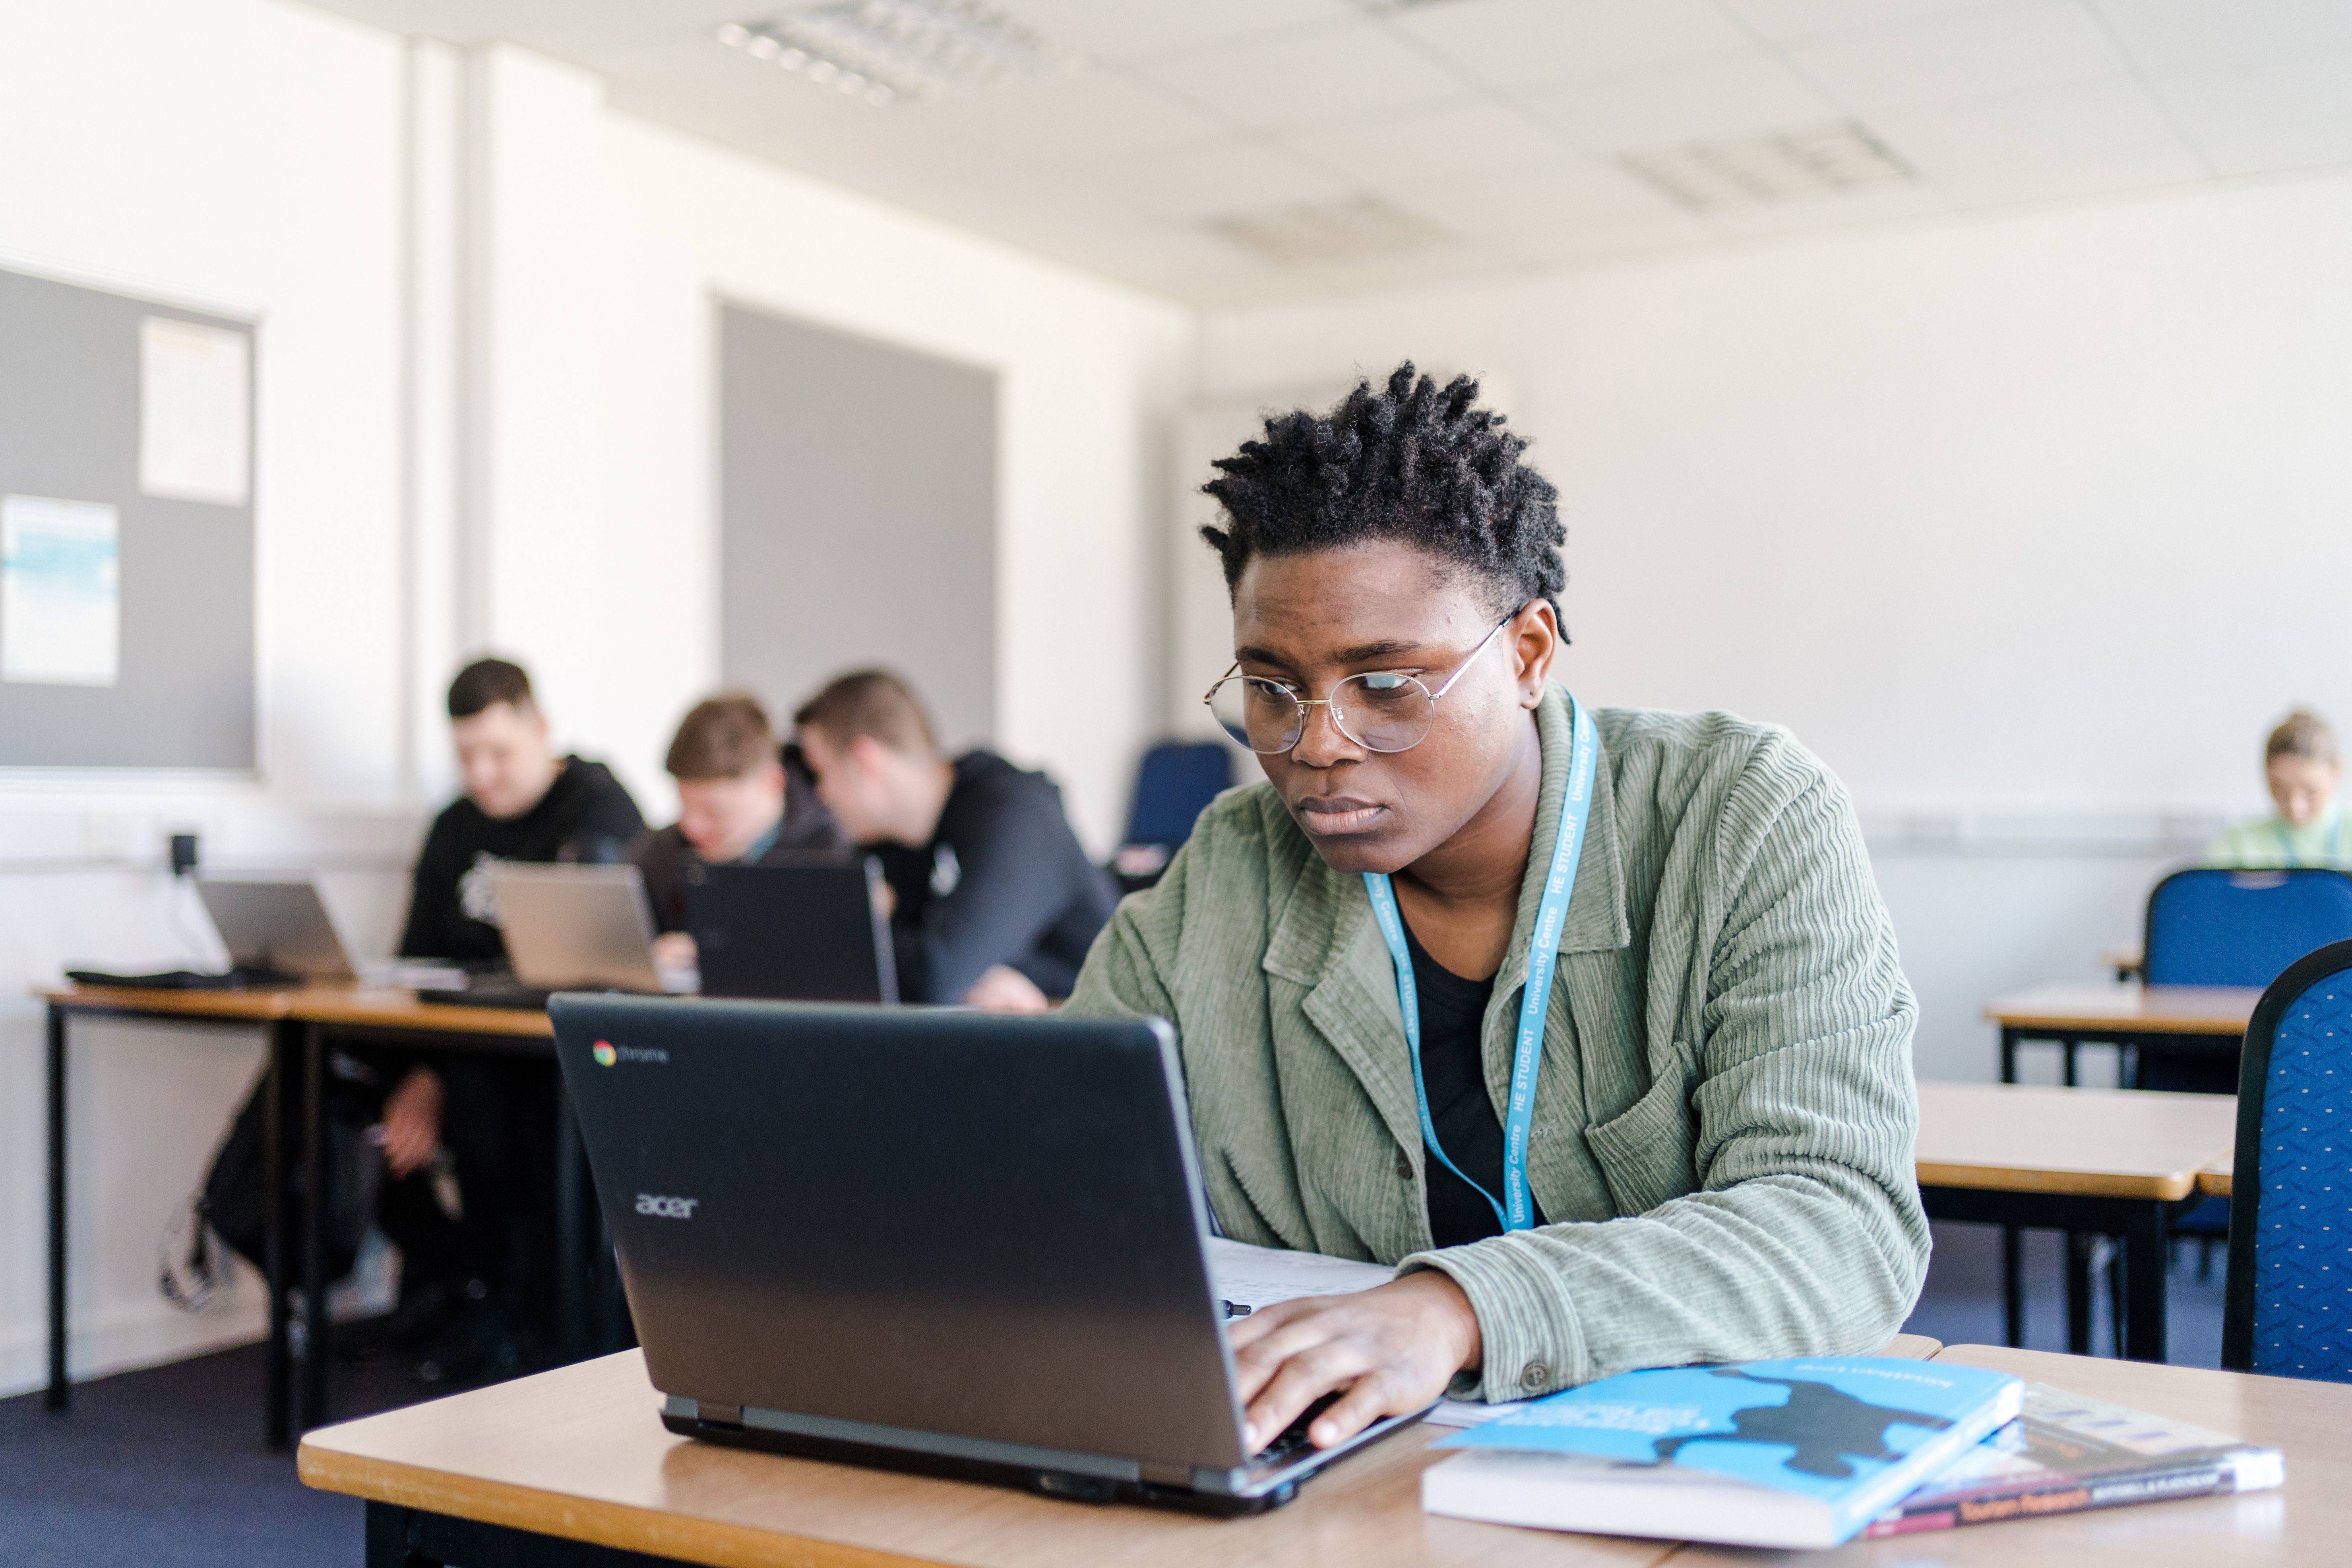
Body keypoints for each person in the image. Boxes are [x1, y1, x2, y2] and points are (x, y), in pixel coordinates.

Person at [1067, 366, 1926, 1456]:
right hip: (1331, 1464)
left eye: (1384, 683)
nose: (1313, 742)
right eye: (1271, 686)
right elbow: (1063, 1175)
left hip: (1664, 1475)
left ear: (1525, 653)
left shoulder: (1738, 814)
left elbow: (1836, 1227)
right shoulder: (1228, 869)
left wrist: (1453, 1308)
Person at [362, 657, 645, 1378]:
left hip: (566, 1055)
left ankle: (540, 1326)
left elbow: (606, 951)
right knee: (356, 1104)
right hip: (465, 1050)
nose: (483, 774)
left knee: (515, 1120)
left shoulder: (599, 806)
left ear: (541, 730)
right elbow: (414, 960)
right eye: (466, 756)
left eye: (499, 753)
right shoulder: (453, 826)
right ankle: (474, 1300)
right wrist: (422, 1077)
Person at [791, 670, 1116, 1010]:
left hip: (1093, 1032)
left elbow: (932, 977)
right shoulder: (894, 842)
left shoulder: (1014, 813)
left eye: (821, 773)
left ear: (864, 760)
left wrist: (862, 926)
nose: (821, 795)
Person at [632, 692, 850, 970]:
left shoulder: (830, 855)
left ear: (772, 782)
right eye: (685, 805)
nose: (692, 826)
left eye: (715, 811)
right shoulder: (662, 850)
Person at [2204, 709, 2349, 869]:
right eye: (2281, 790)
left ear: (2337, 771)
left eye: (2311, 792)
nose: (2296, 807)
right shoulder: (2236, 846)